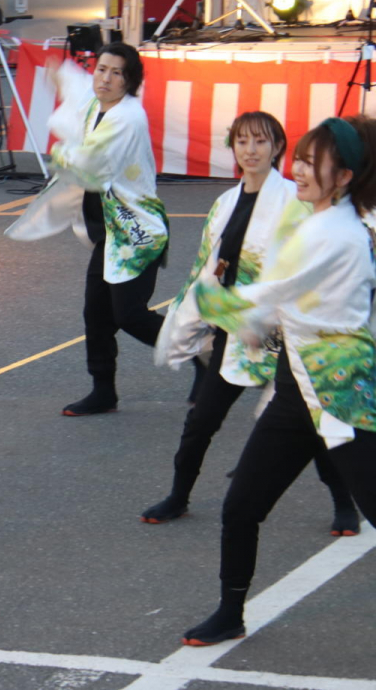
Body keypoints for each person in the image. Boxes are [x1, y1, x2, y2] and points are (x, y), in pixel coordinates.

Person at [181, 115, 376, 647]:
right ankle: (230, 612)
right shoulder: (316, 223)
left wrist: (217, 301)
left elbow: (273, 294)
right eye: (303, 158)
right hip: (298, 389)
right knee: (242, 505)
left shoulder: (338, 234)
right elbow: (273, 303)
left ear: (346, 175)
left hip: (344, 394)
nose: (302, 169)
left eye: (316, 162)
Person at [148, 111, 359, 534]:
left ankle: (343, 503)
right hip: (237, 330)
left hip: (285, 335)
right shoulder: (225, 203)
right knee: (201, 422)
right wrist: (190, 325)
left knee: (312, 425)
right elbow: (205, 270)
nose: (251, 150)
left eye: (261, 141)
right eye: (242, 141)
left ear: (278, 148)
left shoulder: (295, 201)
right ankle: (179, 494)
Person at [6, 43, 169, 416]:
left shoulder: (129, 118)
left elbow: (90, 163)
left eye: (116, 73)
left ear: (131, 81)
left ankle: (199, 346)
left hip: (136, 231)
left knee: (129, 315)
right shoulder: (97, 103)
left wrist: (61, 152)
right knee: (96, 314)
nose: (105, 79)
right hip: (109, 233)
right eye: (101, 69)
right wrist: (61, 73)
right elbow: (80, 90)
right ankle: (103, 390)